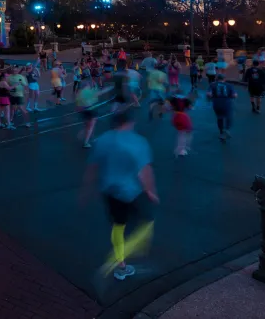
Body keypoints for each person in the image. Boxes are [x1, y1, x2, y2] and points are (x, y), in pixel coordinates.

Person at [82, 110, 158, 281]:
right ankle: (132, 251)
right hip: (133, 192)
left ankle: (120, 262)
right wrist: (150, 191)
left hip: (110, 191)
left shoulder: (101, 140)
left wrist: (87, 190)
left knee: (118, 226)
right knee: (147, 223)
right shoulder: (138, 142)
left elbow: (92, 168)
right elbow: (144, 170)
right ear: (128, 123)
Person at [208, 74, 237, 141]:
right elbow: (234, 95)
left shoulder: (212, 85)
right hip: (226, 103)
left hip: (217, 103)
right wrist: (232, 97)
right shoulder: (229, 85)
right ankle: (226, 129)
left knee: (219, 117)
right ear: (224, 79)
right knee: (229, 117)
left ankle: (221, 131)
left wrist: (212, 97)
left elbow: (209, 94)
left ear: (217, 79)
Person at [168, 92, 194, 157]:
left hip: (175, 117)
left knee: (181, 133)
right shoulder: (186, 100)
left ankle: (182, 147)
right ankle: (181, 149)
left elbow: (168, 108)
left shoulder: (173, 99)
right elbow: (191, 108)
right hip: (182, 117)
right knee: (185, 133)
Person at [76, 80, 99, 148]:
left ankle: (92, 137)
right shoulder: (89, 92)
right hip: (91, 110)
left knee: (88, 126)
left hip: (84, 111)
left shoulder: (79, 93)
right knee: (90, 127)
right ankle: (86, 142)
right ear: (87, 85)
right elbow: (94, 100)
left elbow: (78, 106)